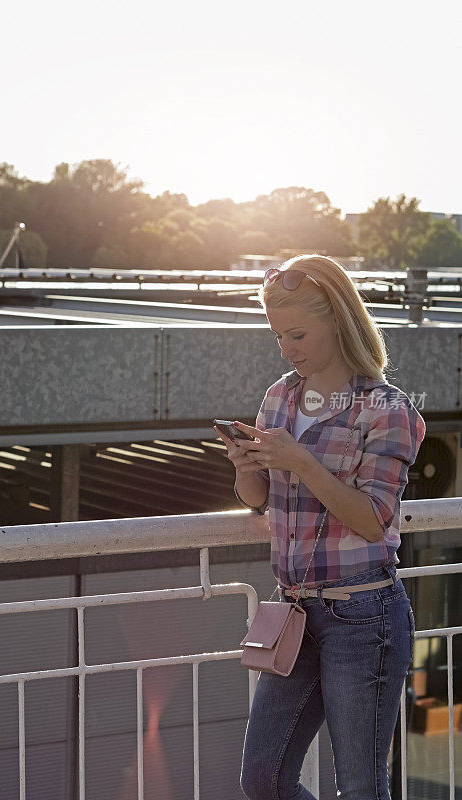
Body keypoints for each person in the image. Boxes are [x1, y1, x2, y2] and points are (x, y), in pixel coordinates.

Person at [213, 254, 426, 800]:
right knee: (262, 780)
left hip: (364, 616)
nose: (286, 349)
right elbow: (259, 501)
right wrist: (246, 468)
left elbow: (374, 519)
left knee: (359, 786)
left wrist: (303, 462)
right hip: (292, 612)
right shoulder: (280, 396)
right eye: (278, 336)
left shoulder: (386, 408)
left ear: (338, 319)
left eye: (298, 333)